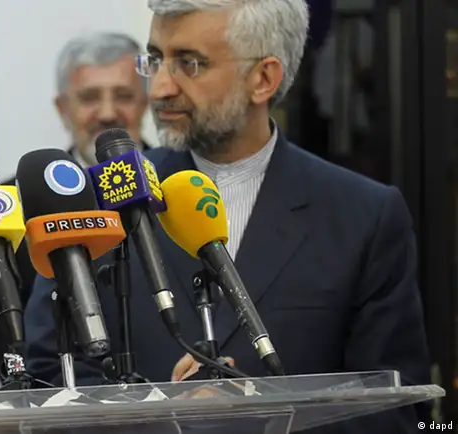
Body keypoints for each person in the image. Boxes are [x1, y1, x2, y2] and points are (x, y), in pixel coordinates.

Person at [23, 0, 430, 432]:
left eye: (190, 63)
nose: (159, 88)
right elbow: (50, 377)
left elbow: (398, 410)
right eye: (155, 60)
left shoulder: (363, 215)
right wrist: (166, 418)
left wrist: (262, 420)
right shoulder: (101, 199)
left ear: (263, 78)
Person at [0, 32, 152, 373]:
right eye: (89, 98)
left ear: (145, 102)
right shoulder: (10, 200)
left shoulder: (176, 182)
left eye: (124, 96)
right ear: (62, 108)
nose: (107, 113)